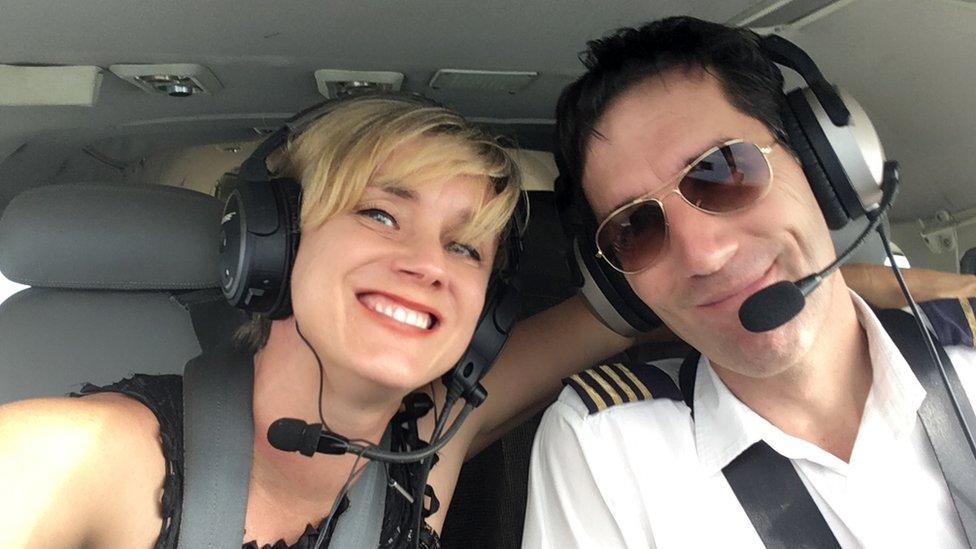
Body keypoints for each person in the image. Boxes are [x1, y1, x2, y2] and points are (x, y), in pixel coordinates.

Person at [0, 96, 632, 548]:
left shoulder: (429, 447)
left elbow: (621, 317)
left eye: (464, 247)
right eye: (381, 214)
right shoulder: (76, 455)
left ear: (487, 314)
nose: (428, 265)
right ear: (275, 241)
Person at [523, 17, 976, 548]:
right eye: (636, 228)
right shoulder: (606, 446)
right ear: (618, 286)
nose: (704, 254)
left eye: (725, 170)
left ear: (819, 165)